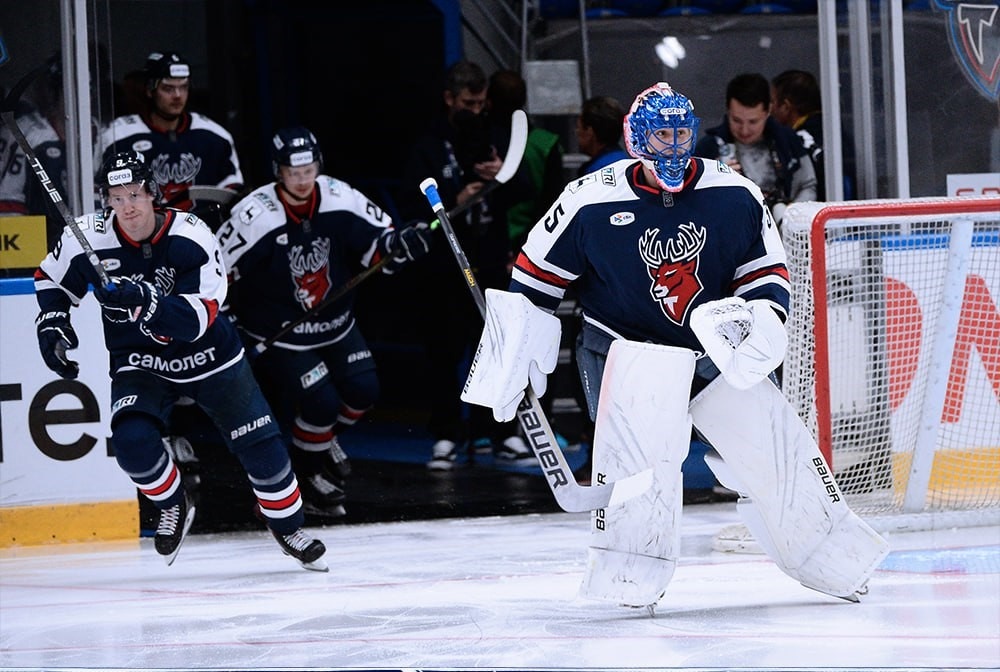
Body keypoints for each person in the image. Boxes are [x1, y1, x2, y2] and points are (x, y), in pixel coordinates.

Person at [460, 82, 888, 608]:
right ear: (637, 136)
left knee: (780, 448)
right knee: (643, 475)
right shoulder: (589, 198)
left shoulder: (733, 191)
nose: (675, 144)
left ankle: (830, 554)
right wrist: (513, 355)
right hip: (625, 351)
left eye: (683, 131)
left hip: (709, 349)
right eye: (662, 133)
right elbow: (534, 281)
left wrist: (764, 317)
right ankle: (628, 572)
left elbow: (766, 271)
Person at [33, 150, 328, 571]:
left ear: (152, 193)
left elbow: (198, 318)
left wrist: (144, 298)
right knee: (132, 444)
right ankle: (174, 501)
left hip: (210, 357)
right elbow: (52, 279)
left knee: (263, 450)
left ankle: (288, 529)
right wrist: (54, 324)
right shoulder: (89, 237)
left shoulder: (191, 235)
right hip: (140, 362)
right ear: (107, 202)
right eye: (117, 198)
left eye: (135, 194)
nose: (128, 207)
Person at [217, 126, 432, 517]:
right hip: (281, 335)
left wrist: (402, 244)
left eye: (309, 169)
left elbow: (380, 247)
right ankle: (304, 476)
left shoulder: (339, 197)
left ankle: (319, 442)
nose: (302, 180)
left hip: (337, 324)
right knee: (320, 403)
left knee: (364, 391)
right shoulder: (255, 216)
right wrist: (227, 325)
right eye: (293, 172)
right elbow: (216, 272)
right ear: (277, 171)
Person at [395, 60, 535, 471]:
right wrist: (457, 197)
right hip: (444, 266)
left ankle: (497, 432)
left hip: (489, 261)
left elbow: (524, 186)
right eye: (467, 103)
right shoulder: (429, 145)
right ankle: (444, 433)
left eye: (480, 103)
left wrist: (500, 177)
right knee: (443, 351)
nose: (474, 110)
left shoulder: (492, 135)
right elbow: (411, 204)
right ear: (449, 99)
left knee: (494, 346)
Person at [95, 50, 243, 226]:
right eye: (168, 88)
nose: (178, 96)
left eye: (184, 87)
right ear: (150, 90)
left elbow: (234, 195)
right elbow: (98, 194)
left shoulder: (215, 137)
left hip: (202, 237)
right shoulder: (117, 137)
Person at [694, 72, 816, 224]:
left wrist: (793, 216)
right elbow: (693, 200)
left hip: (787, 232)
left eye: (753, 122)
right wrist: (715, 180)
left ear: (768, 111)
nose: (744, 130)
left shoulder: (788, 140)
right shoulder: (709, 148)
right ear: (727, 111)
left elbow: (808, 184)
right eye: (736, 120)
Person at [487, 68, 564, 250]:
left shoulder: (486, 142)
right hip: (535, 241)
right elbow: (554, 200)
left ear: (489, 103)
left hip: (498, 241)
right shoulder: (547, 143)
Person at [770, 69, 825, 200]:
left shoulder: (799, 141)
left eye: (772, 101)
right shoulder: (831, 129)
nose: (769, 108)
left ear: (786, 107)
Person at [576, 95, 630, 177]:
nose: (576, 132)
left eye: (578, 128)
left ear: (590, 131)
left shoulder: (596, 173)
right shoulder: (626, 163)